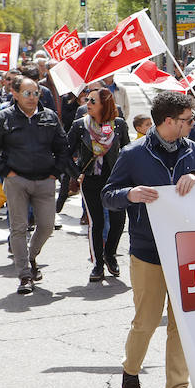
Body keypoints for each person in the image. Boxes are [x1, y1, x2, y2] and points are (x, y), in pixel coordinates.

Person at [102, 91, 195, 388]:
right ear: (169, 122)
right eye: (187, 120)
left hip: (186, 250)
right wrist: (130, 194)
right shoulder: (133, 154)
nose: (193, 124)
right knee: (145, 322)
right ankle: (130, 369)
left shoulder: (194, 150)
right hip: (148, 251)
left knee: (182, 325)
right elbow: (108, 195)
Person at [0, 76, 70, 294]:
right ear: (15, 94)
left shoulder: (49, 117)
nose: (32, 98)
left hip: (45, 181)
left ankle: (31, 258)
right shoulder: (3, 118)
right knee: (18, 228)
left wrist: (54, 173)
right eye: (27, 93)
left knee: (47, 225)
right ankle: (24, 275)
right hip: (16, 181)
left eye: (36, 93)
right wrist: (6, 173)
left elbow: (63, 147)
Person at [67, 87, 130, 281]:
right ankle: (98, 265)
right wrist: (77, 174)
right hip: (91, 180)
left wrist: (129, 175)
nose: (88, 104)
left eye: (93, 101)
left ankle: (110, 254)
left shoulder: (118, 125)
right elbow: (65, 154)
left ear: (105, 104)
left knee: (118, 221)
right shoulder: (80, 125)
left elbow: (127, 151)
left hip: (115, 180)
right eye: (87, 100)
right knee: (97, 223)